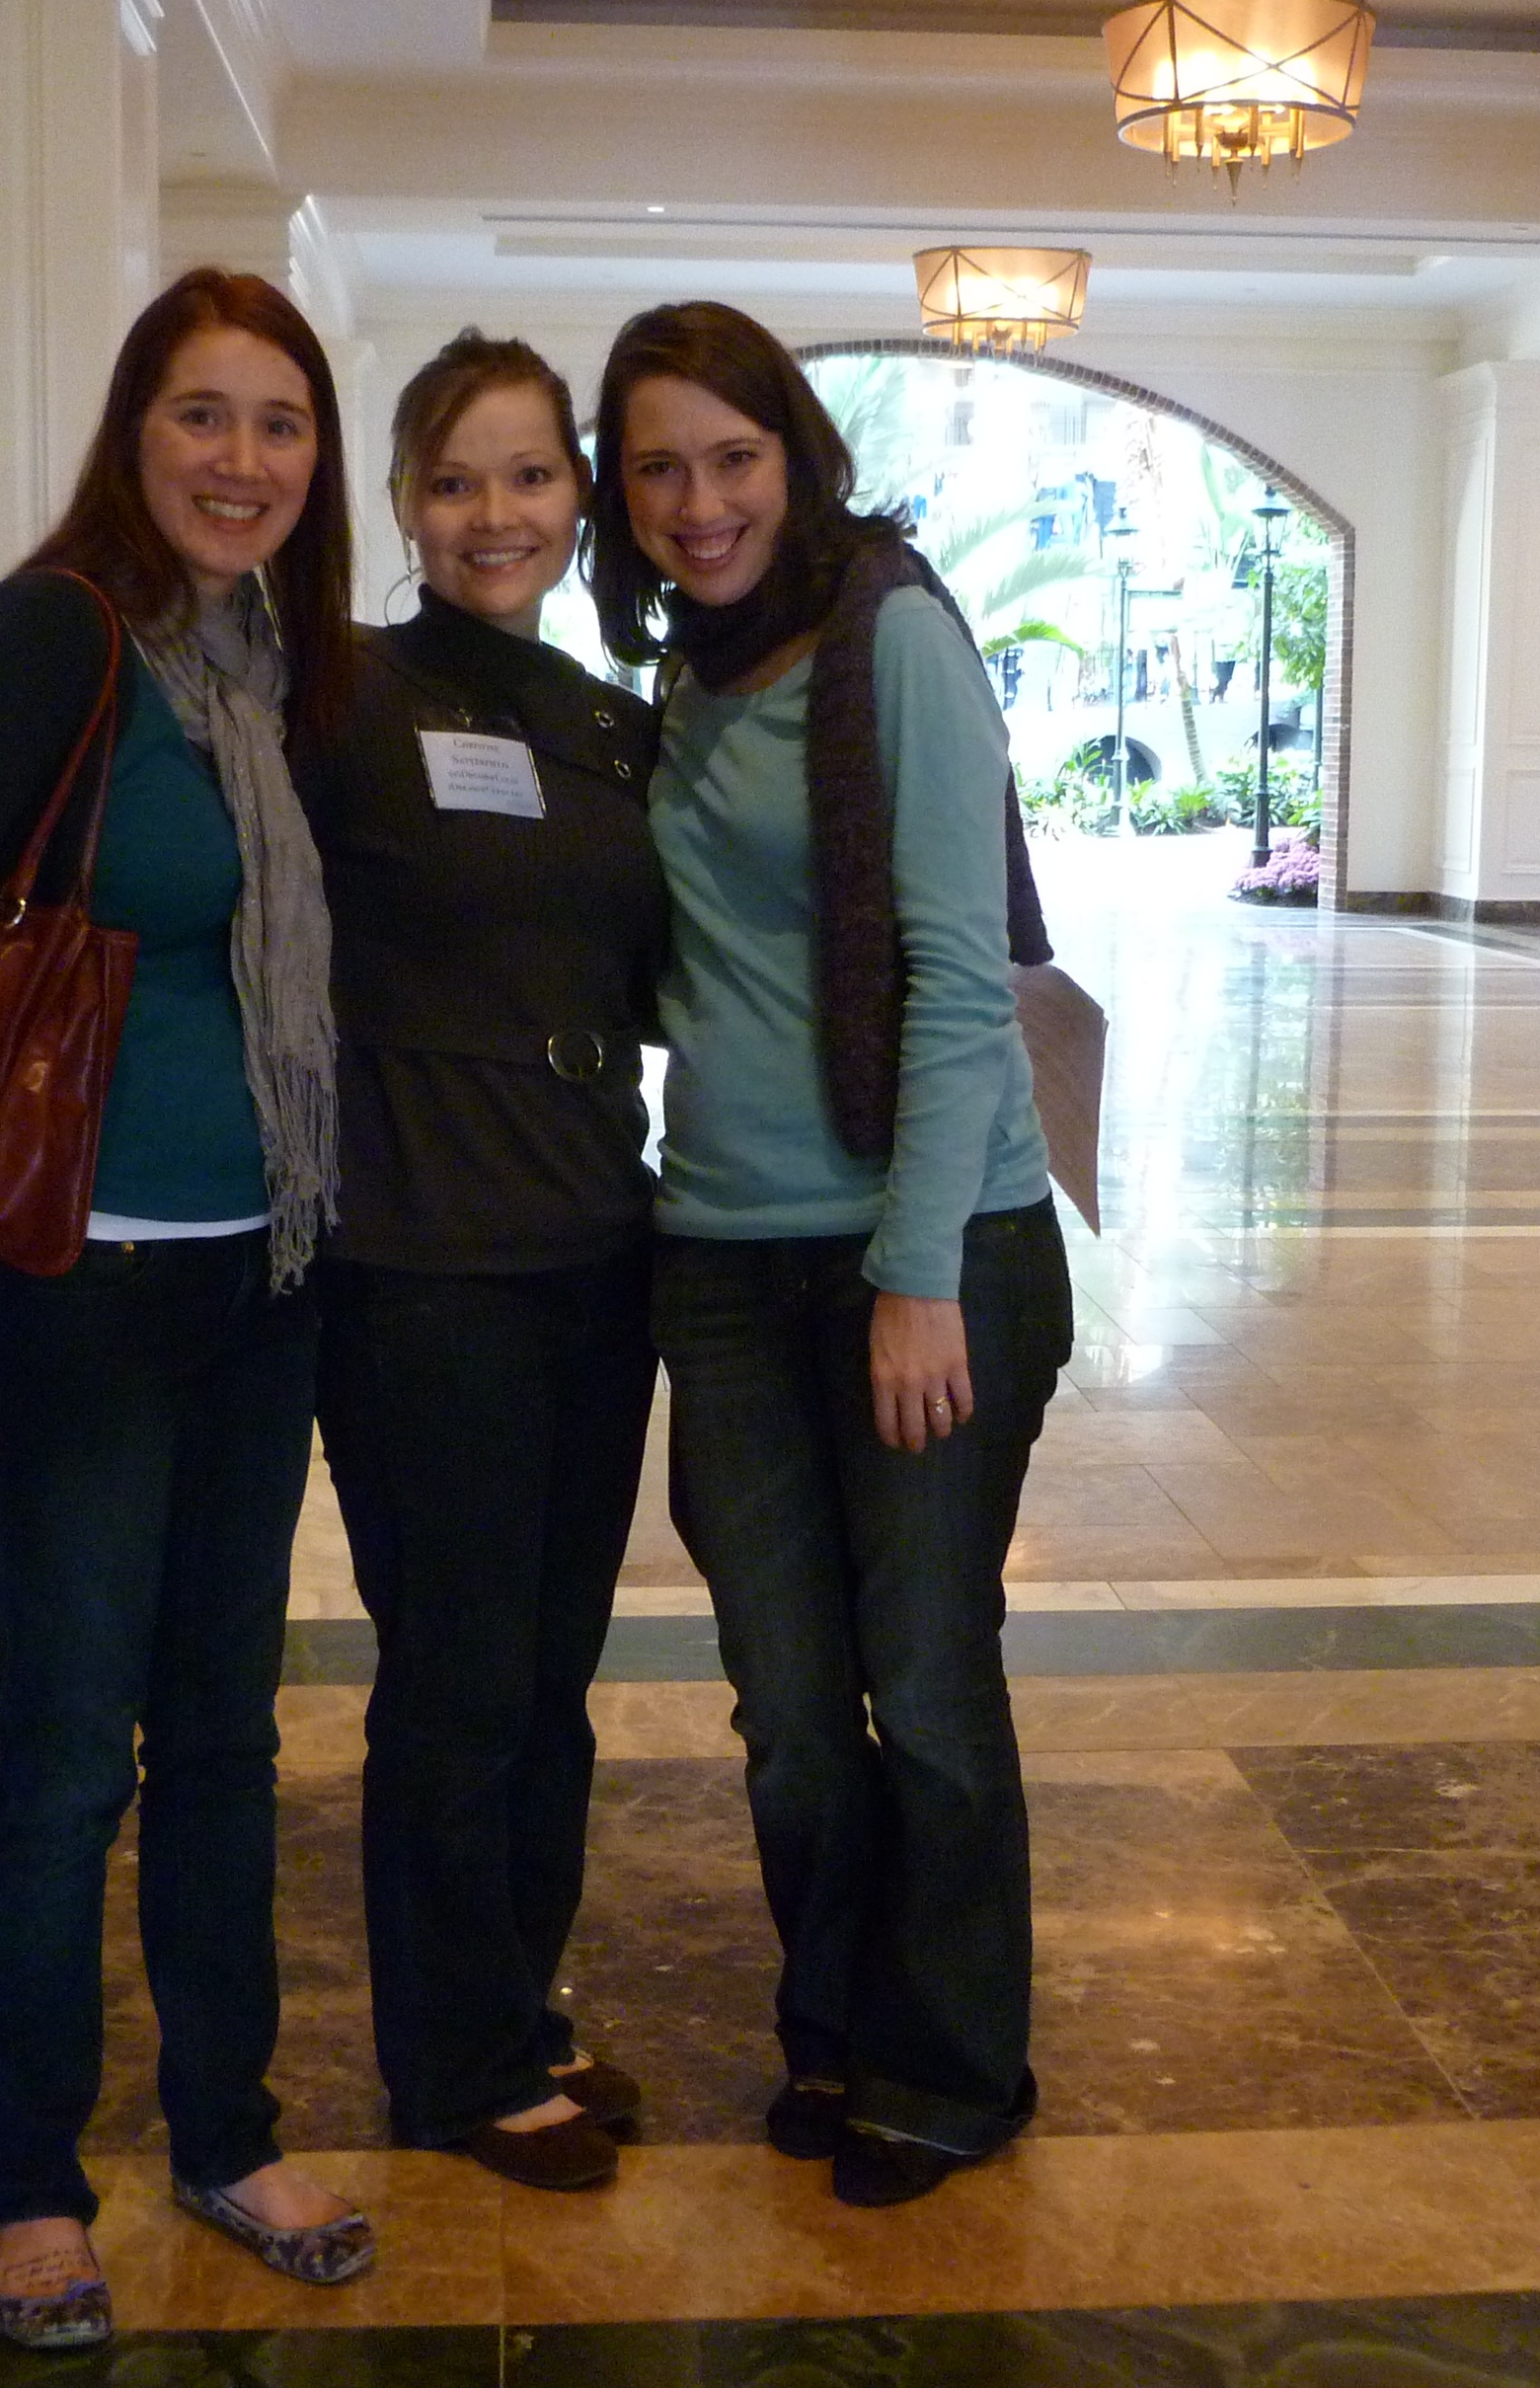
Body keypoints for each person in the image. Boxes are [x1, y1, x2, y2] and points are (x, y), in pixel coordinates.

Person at [0, 268, 371, 2350]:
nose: (241, 460)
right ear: (134, 433)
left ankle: (224, 2131)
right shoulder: (53, 635)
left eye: (280, 424)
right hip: (66, 1294)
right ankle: (33, 2190)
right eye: (201, 416)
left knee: (223, 1734)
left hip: (256, 1280)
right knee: (65, 1750)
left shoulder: (273, 670)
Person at [588, 301, 1074, 2209]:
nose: (696, 501)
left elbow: (957, 973)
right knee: (789, 1709)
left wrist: (915, 1271)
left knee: (925, 1685)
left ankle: (949, 2069)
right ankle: (837, 2022)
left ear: (792, 459)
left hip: (924, 1252)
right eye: (655, 467)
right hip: (718, 1254)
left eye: (731, 458)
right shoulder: (682, 680)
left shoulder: (896, 638)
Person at [300, 332, 664, 2191]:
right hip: (419, 1263)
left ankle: (517, 2003)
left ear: (577, 498)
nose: (493, 514)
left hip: (597, 1247)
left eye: (528, 475)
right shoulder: (344, 697)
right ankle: (452, 2066)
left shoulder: (611, 725)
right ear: (401, 505)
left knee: (549, 1675)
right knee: (454, 1680)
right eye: (453, 481)